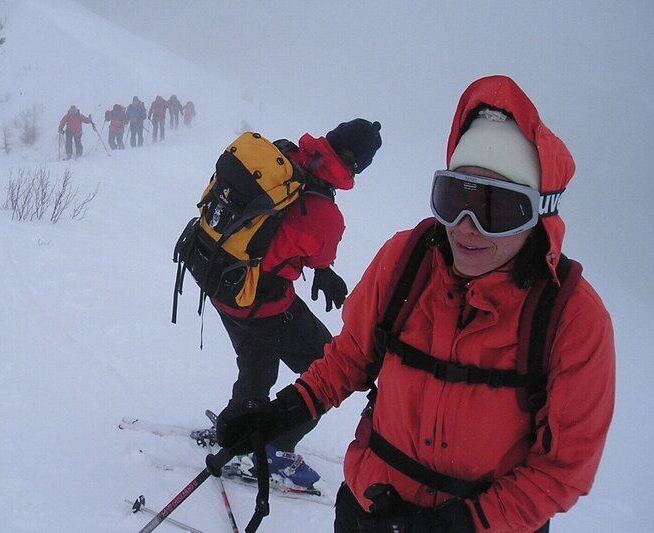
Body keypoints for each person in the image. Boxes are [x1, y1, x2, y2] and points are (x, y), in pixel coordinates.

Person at [215, 75, 615, 533]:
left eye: (498, 208)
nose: (467, 227)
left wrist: (459, 524)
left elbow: (563, 469)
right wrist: (283, 411)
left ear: (539, 214)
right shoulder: (407, 262)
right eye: (454, 198)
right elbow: (348, 360)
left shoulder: (571, 318)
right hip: (368, 513)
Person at [211, 118, 383, 492]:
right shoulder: (326, 215)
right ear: (357, 164)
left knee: (257, 360)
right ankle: (272, 449)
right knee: (326, 368)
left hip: (220, 280)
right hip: (261, 301)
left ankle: (238, 428)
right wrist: (324, 271)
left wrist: (319, 268)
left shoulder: (283, 153)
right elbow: (315, 250)